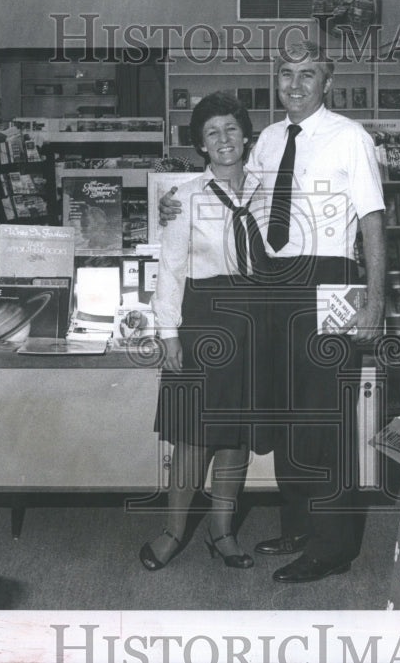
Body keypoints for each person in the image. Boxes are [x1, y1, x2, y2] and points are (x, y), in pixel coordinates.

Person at [159, 40, 386, 583]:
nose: (296, 84)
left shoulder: (351, 137)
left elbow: (374, 222)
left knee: (326, 412)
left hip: (331, 280)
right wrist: (171, 201)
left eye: (308, 75)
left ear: (327, 82)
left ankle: (332, 547)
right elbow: (235, 191)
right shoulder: (265, 140)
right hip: (273, 285)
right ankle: (300, 524)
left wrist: (374, 302)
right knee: (287, 411)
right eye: (287, 74)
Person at [141, 91, 267, 572]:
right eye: (212, 132)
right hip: (202, 321)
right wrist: (169, 332)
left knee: (235, 437)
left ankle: (222, 532)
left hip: (254, 322)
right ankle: (174, 531)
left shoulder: (269, 193)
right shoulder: (184, 199)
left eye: (231, 129)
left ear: (246, 135)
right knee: (193, 437)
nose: (223, 139)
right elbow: (170, 269)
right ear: (201, 145)